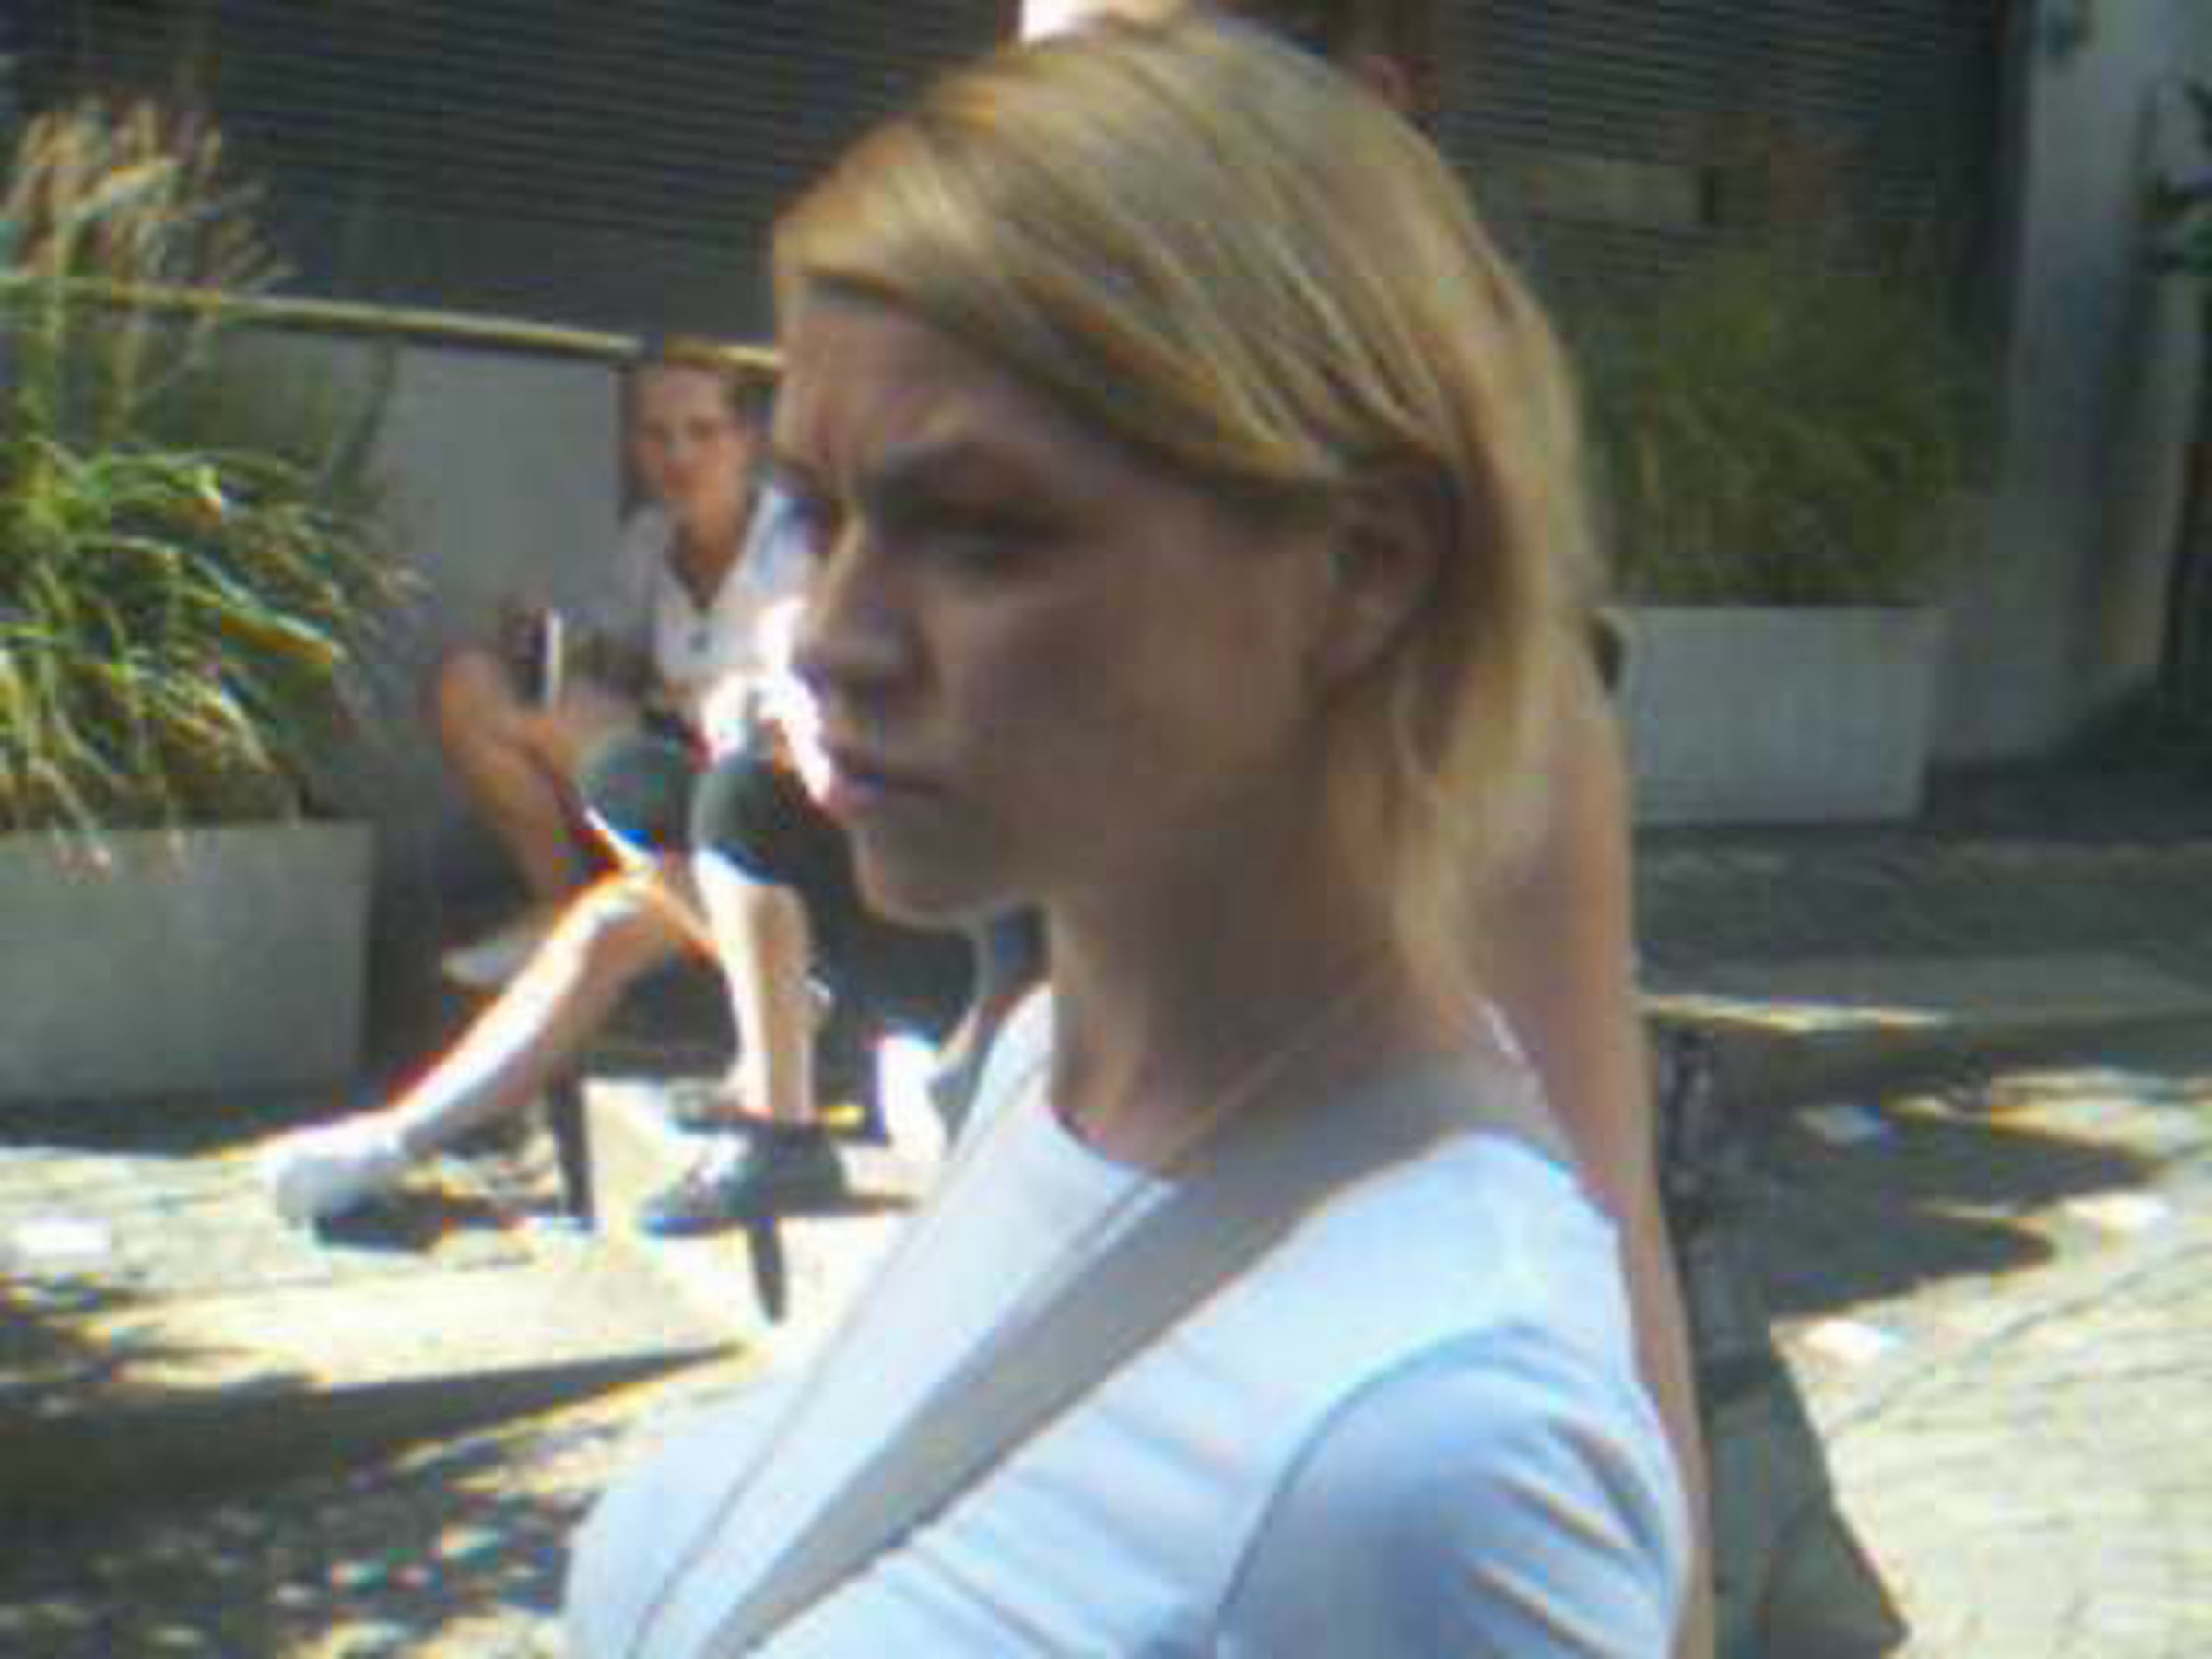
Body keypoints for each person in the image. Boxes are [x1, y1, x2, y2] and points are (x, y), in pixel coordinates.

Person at [567, 16, 1688, 1653]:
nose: (833, 638)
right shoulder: (1049, 1075)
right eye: (816, 511)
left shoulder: (1438, 1461)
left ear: (1361, 569)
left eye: (982, 531)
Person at [995, 6, 1716, 1653]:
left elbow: (1599, 1232)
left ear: (1358, 111)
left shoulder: (1448, 680)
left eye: (1116, 71)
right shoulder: (1045, 547)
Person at [259, 345, 865, 1234]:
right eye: (655, 434)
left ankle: (780, 1036)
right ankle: (383, 1145)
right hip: (684, 819)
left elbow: (818, 705)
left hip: (779, 829)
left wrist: (756, 703)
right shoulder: (651, 541)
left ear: (749, 440)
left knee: (624, 876)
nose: (678, 456)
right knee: (584, 891)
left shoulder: (800, 549)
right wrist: (551, 652)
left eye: (702, 432)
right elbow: (617, 668)